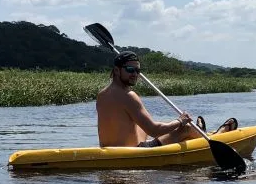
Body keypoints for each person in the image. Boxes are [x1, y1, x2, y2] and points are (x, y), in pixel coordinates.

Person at [95, 51, 237, 148]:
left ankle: (199, 131)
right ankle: (217, 135)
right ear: (116, 70)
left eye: (138, 71)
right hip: (136, 152)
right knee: (186, 128)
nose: (135, 74)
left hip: (111, 149)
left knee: (138, 124)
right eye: (130, 70)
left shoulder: (102, 94)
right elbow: (155, 131)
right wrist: (180, 121)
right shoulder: (129, 96)